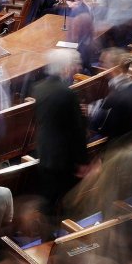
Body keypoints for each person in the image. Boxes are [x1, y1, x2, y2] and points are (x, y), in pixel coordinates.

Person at [32, 49, 88, 224]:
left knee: (47, 198)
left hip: (44, 151)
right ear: (65, 68)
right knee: (67, 200)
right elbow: (77, 131)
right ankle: (65, 231)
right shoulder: (67, 93)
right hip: (64, 157)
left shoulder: (38, 88)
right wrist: (83, 161)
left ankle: (45, 233)